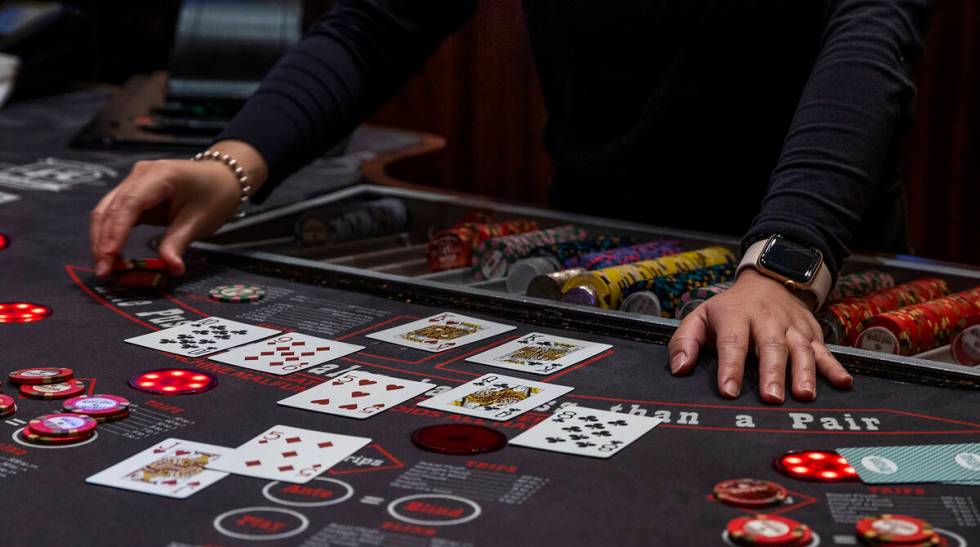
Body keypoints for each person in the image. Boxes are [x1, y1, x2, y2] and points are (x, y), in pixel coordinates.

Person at [89, 0, 931, 404]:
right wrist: (233, 163)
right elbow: (377, 25)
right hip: (599, 265)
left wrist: (782, 267)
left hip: (802, 269)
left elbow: (873, 27)